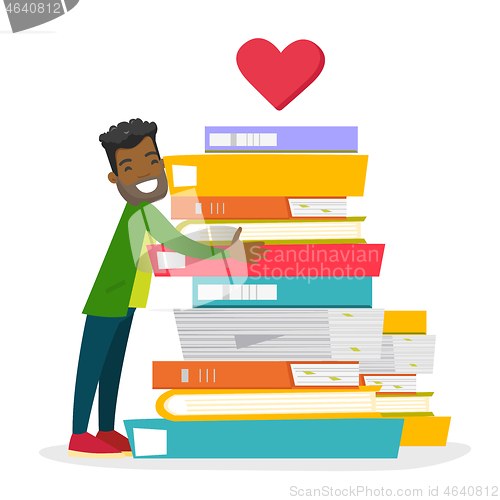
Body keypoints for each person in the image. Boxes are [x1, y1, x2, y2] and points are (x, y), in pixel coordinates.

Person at [68, 118, 265, 458]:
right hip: (107, 300)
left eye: (151, 162)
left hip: (126, 301)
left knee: (113, 367)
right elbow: (178, 245)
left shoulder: (143, 212)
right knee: (93, 367)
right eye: (129, 167)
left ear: (162, 165)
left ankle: (105, 429)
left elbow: (165, 251)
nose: (144, 173)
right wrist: (226, 249)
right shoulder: (141, 214)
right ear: (115, 178)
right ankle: (77, 435)